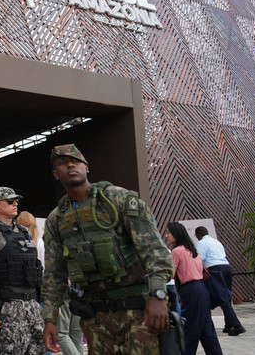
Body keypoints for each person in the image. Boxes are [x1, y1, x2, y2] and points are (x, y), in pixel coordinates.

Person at [41, 144, 174, 354]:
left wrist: (158, 296)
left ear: (87, 167)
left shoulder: (119, 199)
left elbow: (154, 252)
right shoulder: (56, 219)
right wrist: (50, 319)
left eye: (75, 161)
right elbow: (53, 274)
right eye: (62, 164)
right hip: (95, 318)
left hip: (138, 311)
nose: (70, 165)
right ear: (56, 174)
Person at [0, 187, 44, 355]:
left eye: (16, 201)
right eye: (10, 201)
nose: (15, 204)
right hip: (10, 308)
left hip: (33, 306)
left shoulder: (24, 232)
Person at [165, 222, 223, 355]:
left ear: (176, 234)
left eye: (168, 232)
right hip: (202, 290)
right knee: (207, 330)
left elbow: (171, 275)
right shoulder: (192, 250)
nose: (166, 235)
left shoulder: (176, 251)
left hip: (191, 292)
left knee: (189, 330)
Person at [194, 226, 245, 336]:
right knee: (226, 296)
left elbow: (200, 258)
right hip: (227, 267)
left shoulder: (201, 243)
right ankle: (228, 325)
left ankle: (237, 325)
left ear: (198, 234)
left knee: (221, 297)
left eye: (196, 235)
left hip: (215, 269)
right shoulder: (216, 242)